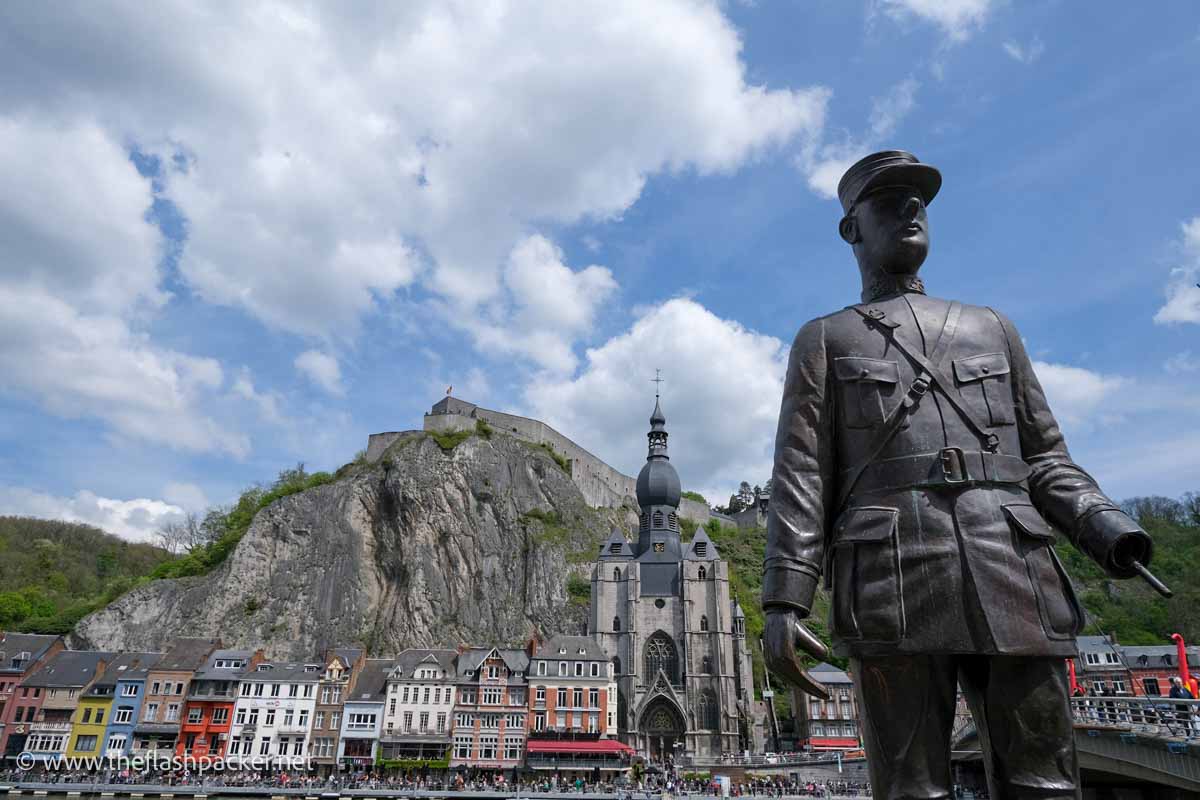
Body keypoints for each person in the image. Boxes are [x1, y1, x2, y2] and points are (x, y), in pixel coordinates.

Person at [762, 150, 1156, 799]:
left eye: (919, 200)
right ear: (852, 228)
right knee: (911, 789)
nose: (911, 209)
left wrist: (1103, 524)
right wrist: (784, 598)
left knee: (1046, 784)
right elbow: (802, 475)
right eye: (890, 201)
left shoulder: (992, 328)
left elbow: (1046, 458)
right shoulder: (826, 338)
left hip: (1014, 571)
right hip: (891, 578)